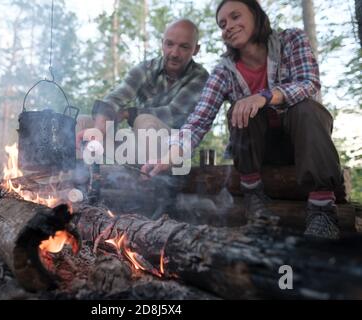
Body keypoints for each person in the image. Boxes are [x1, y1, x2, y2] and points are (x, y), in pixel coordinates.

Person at [142, 0, 343, 239]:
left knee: (307, 108)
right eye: (223, 23)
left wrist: (265, 96)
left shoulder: (291, 41)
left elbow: (308, 83)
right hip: (259, 153)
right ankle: (254, 197)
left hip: (303, 145)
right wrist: (168, 157)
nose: (228, 26)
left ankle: (321, 211)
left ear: (256, 15)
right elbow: (198, 121)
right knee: (240, 109)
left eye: (236, 17)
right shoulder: (224, 71)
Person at [76, 18, 209, 159]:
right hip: (137, 145)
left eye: (184, 47)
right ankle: (82, 176)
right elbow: (116, 96)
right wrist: (100, 126)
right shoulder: (145, 69)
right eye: (169, 44)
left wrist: (128, 113)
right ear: (162, 44)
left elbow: (173, 114)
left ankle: (150, 177)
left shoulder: (201, 78)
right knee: (81, 122)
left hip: (173, 151)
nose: (175, 53)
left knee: (144, 121)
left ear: (196, 49)